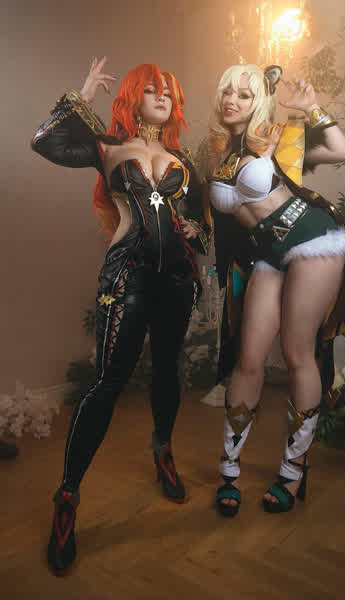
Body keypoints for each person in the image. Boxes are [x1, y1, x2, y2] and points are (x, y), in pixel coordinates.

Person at [31, 57, 211, 574]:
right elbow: (44, 143)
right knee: (107, 382)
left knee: (167, 369)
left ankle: (162, 450)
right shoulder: (107, 147)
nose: (163, 96)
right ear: (133, 96)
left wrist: (197, 232)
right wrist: (82, 95)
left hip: (177, 279)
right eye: (152, 89)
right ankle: (68, 497)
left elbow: (200, 216)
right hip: (128, 274)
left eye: (169, 91)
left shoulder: (182, 158)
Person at [206, 64, 345, 517]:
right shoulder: (214, 151)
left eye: (244, 94)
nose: (232, 100)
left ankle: (292, 472)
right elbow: (218, 215)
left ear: (259, 101)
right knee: (249, 358)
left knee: (297, 354)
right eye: (227, 91)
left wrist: (311, 109)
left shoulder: (280, 135)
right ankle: (229, 471)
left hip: (313, 240)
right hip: (267, 253)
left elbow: (343, 150)